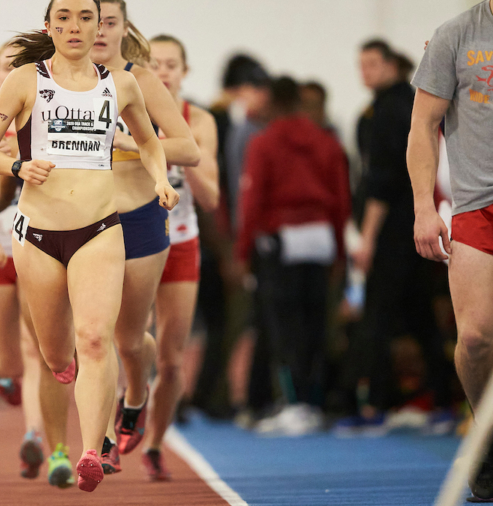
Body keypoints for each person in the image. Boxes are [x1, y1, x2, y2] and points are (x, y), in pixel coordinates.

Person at [0, 0, 178, 492]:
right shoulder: (25, 79)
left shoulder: (121, 83)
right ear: (50, 26)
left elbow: (151, 142)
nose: (74, 26)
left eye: (85, 17)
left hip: (100, 231)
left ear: (100, 26)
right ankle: (62, 369)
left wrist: (160, 180)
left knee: (94, 339)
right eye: (63, 17)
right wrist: (18, 168)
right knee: (56, 353)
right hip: (40, 235)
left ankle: (92, 449)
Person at [89, 0, 200, 473]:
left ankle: (136, 393)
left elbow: (186, 149)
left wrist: (127, 141)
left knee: (129, 339)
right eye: (88, 21)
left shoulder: (139, 79)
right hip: (80, 222)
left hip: (137, 218)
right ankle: (102, 439)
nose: (96, 31)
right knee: (92, 335)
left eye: (109, 23)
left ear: (122, 27)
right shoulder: (50, 79)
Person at [343, 39, 452, 434]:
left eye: (372, 64)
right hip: (413, 226)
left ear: (392, 65)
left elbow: (382, 181)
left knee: (377, 318)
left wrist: (367, 237)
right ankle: (441, 400)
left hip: (396, 230)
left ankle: (371, 406)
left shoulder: (390, 110)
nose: (365, 72)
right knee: (421, 317)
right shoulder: (397, 104)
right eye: (361, 64)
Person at [407, 0, 493, 500]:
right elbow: (422, 126)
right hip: (477, 206)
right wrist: (424, 206)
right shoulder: (456, 34)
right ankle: (486, 431)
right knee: (477, 337)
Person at [235, 76, 351, 436]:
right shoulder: (327, 142)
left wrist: (243, 252)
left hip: (280, 239)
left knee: (284, 326)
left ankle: (295, 404)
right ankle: (314, 403)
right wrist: (339, 252)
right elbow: (342, 200)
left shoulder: (264, 142)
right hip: (319, 237)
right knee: (315, 322)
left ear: (273, 100)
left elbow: (252, 202)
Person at [142, 33, 219, 481]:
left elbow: (210, 198)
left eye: (172, 64)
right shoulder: (127, 109)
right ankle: (117, 422)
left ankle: (154, 442)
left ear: (185, 72)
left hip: (182, 241)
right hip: (132, 239)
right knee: (129, 343)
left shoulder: (200, 119)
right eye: (155, 64)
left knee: (171, 357)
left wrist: (181, 147)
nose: (164, 72)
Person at [0, 41, 49, 481]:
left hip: (36, 244)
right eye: (7, 66)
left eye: (23, 65)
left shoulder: (48, 115)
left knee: (34, 348)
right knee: (11, 357)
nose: (15, 73)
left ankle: (35, 436)